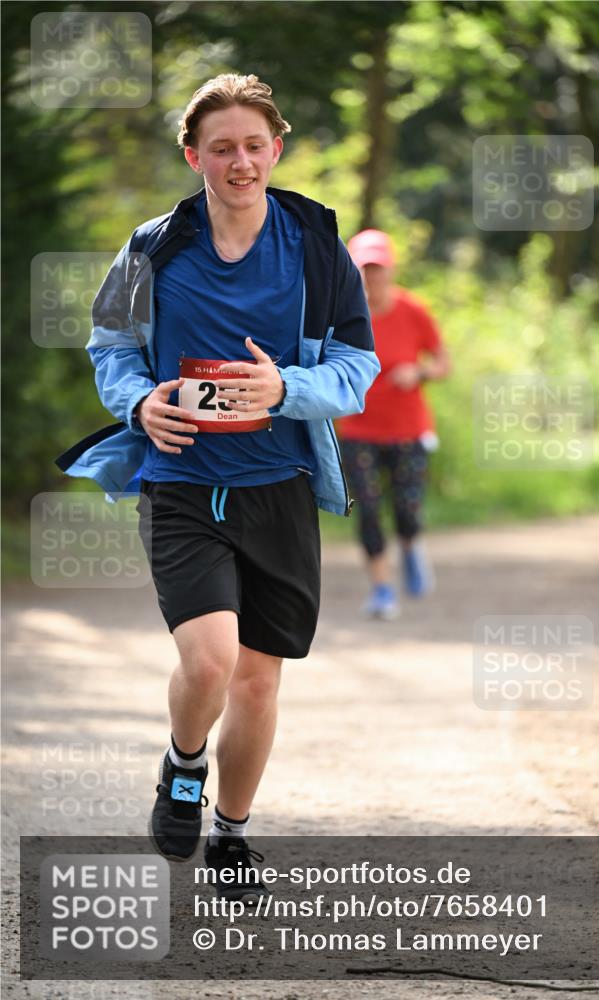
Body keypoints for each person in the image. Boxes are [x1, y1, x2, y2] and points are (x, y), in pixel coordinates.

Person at [55, 73, 379, 895]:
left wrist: (285, 389)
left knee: (258, 680)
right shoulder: (154, 246)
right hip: (181, 483)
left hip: (279, 485)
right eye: (222, 148)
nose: (240, 162)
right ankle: (183, 763)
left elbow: (357, 364)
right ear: (193, 155)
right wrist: (139, 402)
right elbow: (110, 344)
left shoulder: (315, 246)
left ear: (277, 149)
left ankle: (232, 838)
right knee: (209, 665)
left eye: (254, 146)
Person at [338, 229, 450, 620]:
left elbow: (443, 363)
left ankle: (411, 545)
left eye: (378, 268)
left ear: (391, 270)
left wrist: (418, 372)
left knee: (406, 510)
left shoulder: (413, 310)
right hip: (358, 430)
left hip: (408, 430)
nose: (372, 276)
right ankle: (382, 589)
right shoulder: (342, 315)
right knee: (368, 510)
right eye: (364, 268)